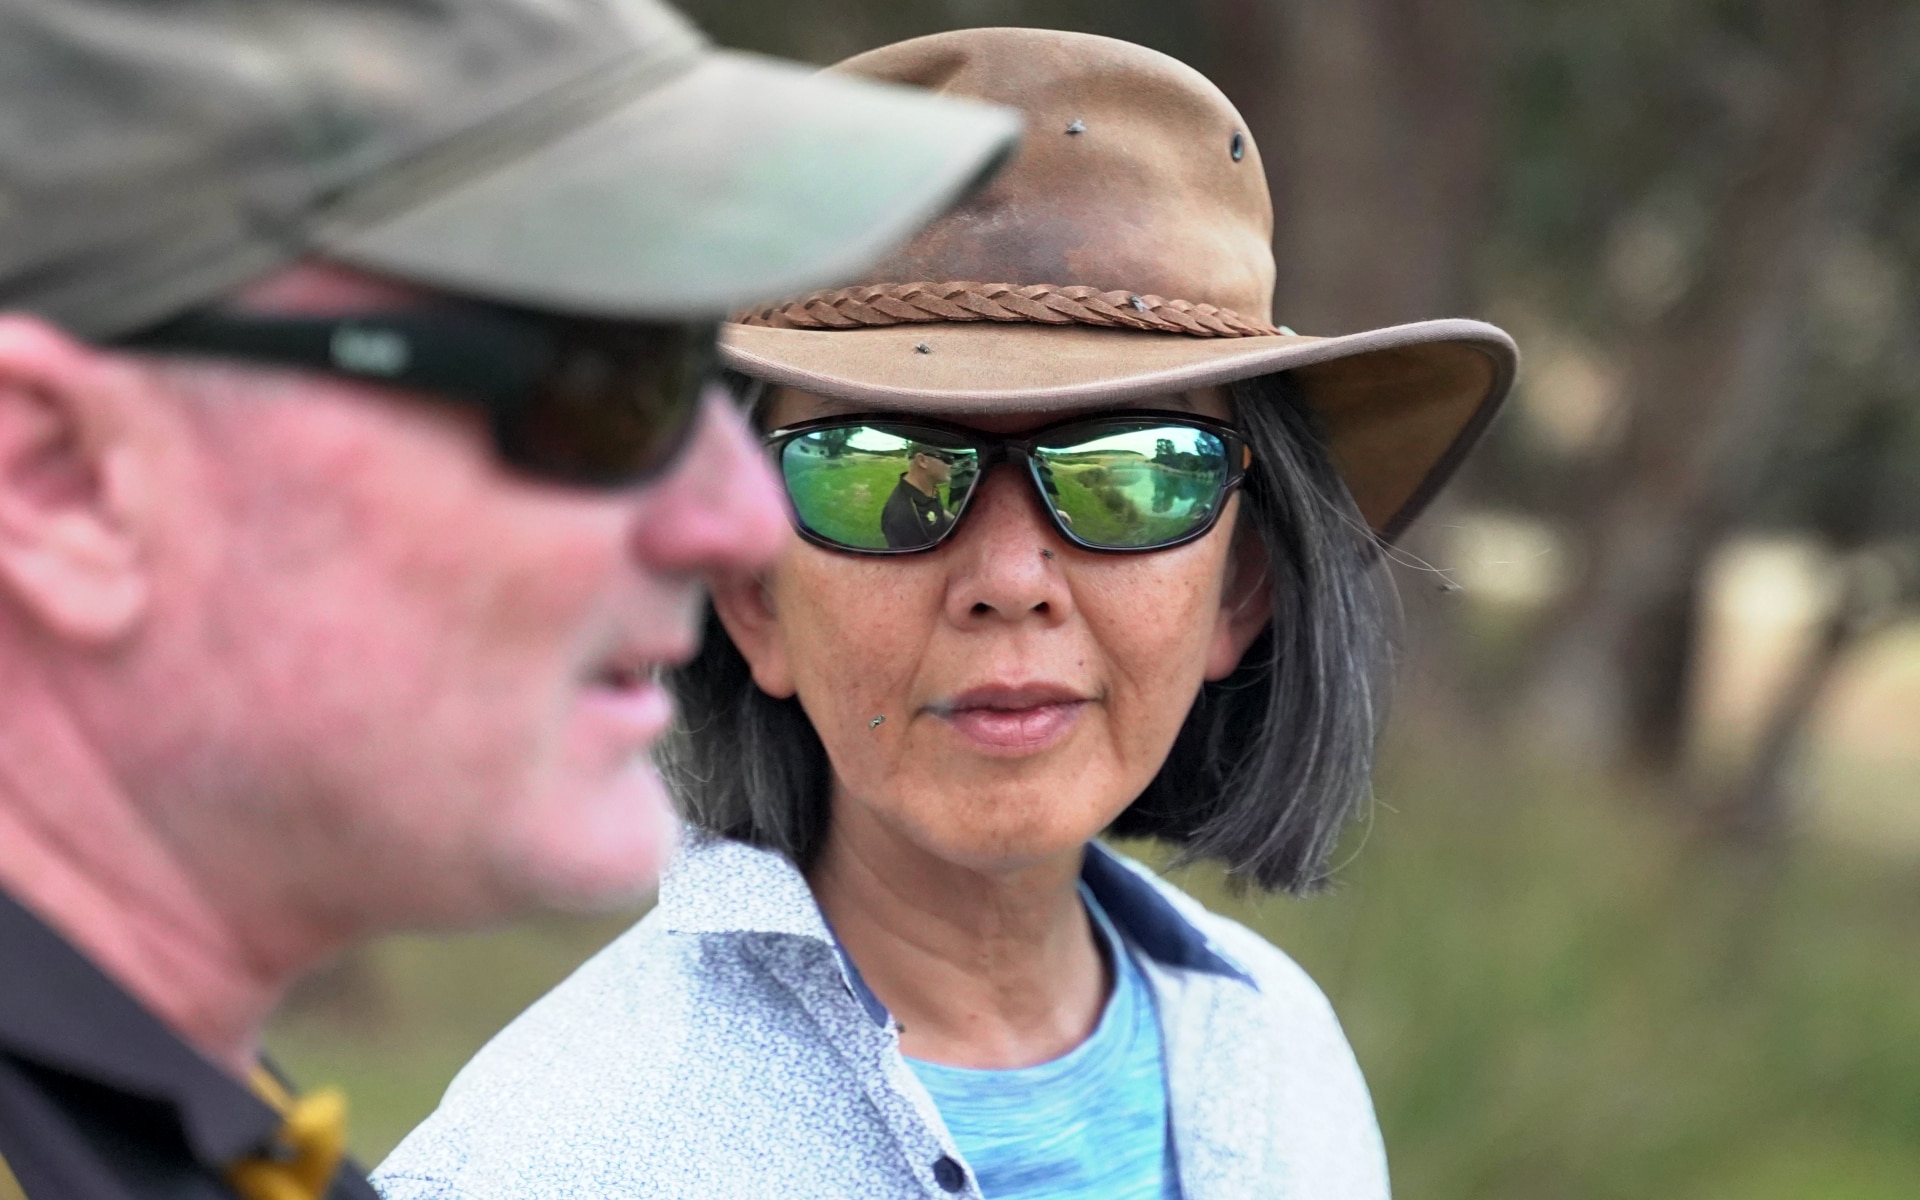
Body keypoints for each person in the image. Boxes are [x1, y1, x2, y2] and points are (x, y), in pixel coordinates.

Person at [373, 27, 1516, 1200]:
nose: (1011, 578)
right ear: (753, 594)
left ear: (1242, 587)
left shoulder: (1282, 1060)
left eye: (1132, 469)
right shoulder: (542, 1161)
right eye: (875, 470)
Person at [0, 3, 1018, 1198]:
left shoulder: (189, 1136)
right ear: (63, 483)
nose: (743, 520)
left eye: (703, 372)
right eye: (598, 385)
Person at [880, 443, 958, 549]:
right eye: (948, 459)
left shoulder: (928, 486)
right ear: (922, 461)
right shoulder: (902, 516)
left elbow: (937, 510)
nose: (954, 465)